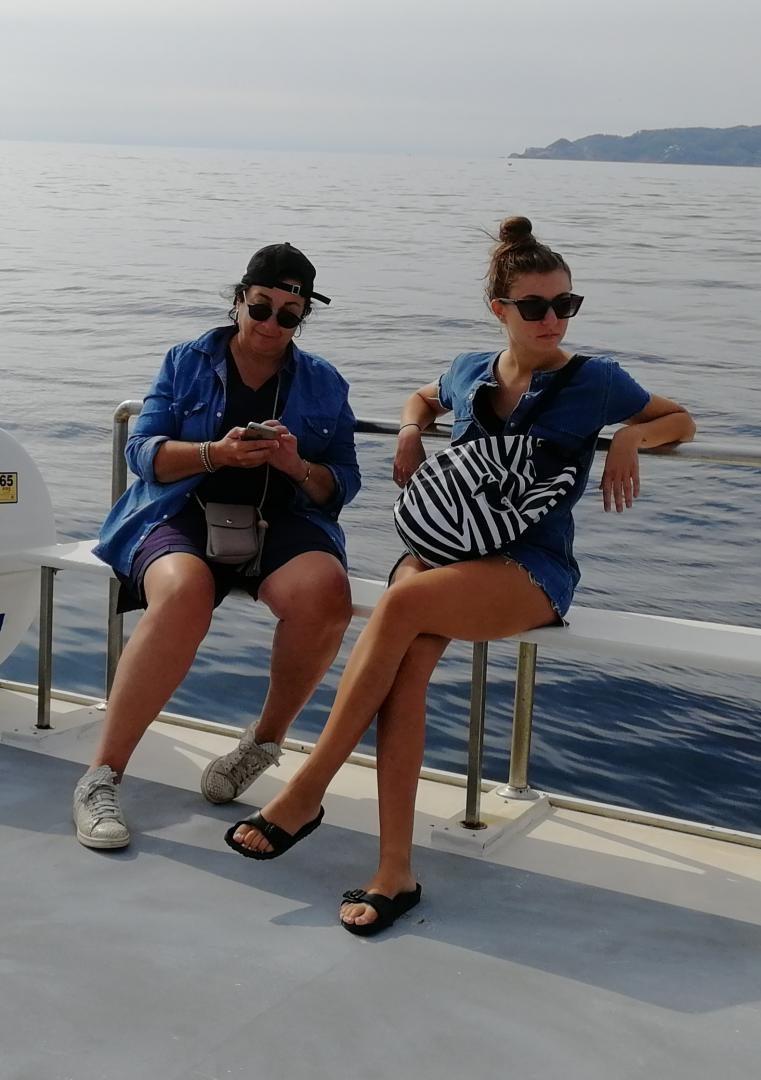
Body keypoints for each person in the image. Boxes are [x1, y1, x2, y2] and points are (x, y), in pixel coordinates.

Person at [222, 217, 696, 936]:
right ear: (500, 309)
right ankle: (394, 872)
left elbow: (680, 419)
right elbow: (421, 397)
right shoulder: (470, 369)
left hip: (529, 566)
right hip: (448, 549)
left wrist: (631, 434)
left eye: (565, 304)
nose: (552, 319)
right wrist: (411, 430)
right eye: (534, 306)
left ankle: (309, 788)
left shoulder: (595, 380)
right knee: (402, 679)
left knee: (402, 602)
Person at [73, 242, 360, 850]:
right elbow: (142, 453)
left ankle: (262, 743)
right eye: (261, 307)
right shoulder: (186, 361)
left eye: (289, 314)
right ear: (239, 301)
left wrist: (295, 465)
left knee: (326, 594)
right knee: (183, 594)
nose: (272, 324)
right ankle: (101, 777)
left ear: (302, 317)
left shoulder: (325, 382)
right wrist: (215, 454)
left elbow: (342, 483)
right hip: (181, 511)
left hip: (280, 519)